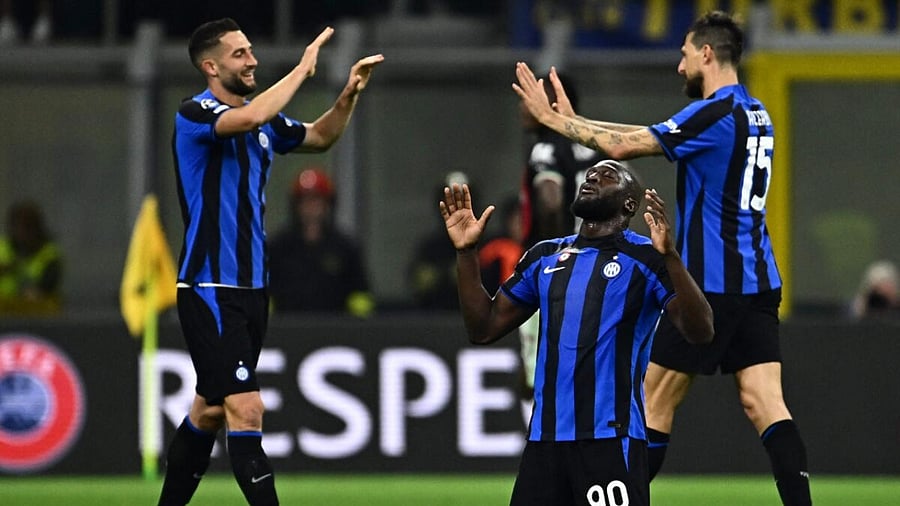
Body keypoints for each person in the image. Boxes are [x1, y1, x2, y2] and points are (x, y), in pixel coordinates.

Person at [513, 10, 813, 506]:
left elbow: (624, 147)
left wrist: (553, 122)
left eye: (684, 55)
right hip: (758, 280)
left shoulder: (714, 113)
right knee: (765, 402)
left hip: (710, 282)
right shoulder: (755, 113)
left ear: (707, 55)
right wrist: (574, 122)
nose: (680, 67)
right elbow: (644, 132)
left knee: (651, 400)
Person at [159, 18, 382, 506]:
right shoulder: (195, 114)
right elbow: (251, 118)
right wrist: (303, 69)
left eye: (251, 49)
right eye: (239, 54)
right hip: (209, 286)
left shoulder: (264, 123)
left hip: (253, 289)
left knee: (210, 411)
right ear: (210, 66)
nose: (252, 59)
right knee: (247, 408)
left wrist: (347, 95)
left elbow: (320, 137)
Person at [440, 160, 713, 506]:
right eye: (591, 174)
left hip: (610, 441)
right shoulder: (544, 256)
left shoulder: (646, 259)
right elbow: (483, 329)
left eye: (608, 176)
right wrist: (466, 253)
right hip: (545, 443)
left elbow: (701, 331)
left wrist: (672, 257)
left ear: (629, 204)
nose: (593, 177)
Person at [517, 70, 607, 403]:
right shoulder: (593, 144)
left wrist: (553, 259)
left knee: (537, 375)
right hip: (599, 269)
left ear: (552, 103)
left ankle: (544, 448)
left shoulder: (545, 148)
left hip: (559, 270)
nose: (521, 109)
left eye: (528, 99)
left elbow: (550, 200)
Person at [268, 166, 374, 317]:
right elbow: (265, 296)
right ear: (295, 205)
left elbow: (361, 294)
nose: (311, 208)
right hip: (287, 332)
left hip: (335, 333)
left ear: (328, 204)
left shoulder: (344, 247)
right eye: (305, 201)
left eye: (317, 200)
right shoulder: (278, 247)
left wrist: (357, 324)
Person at [408, 170, 471, 310]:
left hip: (474, 320)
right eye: (450, 201)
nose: (456, 208)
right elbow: (419, 282)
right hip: (435, 319)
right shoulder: (430, 247)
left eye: (462, 200)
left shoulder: (488, 246)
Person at [0, 200, 63, 314]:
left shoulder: (49, 256)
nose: (22, 233)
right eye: (18, 226)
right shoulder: (2, 248)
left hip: (36, 318)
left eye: (27, 227)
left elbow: (47, 286)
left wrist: (35, 292)